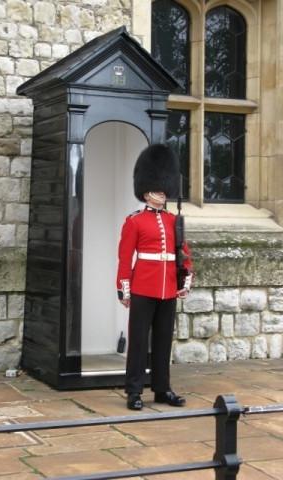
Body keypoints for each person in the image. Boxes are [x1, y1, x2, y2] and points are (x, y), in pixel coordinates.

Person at [116, 144, 193, 410]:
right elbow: (125, 259)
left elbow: (183, 252)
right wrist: (124, 289)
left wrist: (185, 279)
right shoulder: (134, 222)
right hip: (143, 287)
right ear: (147, 193)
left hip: (168, 287)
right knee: (138, 342)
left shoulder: (173, 221)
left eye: (164, 190)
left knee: (163, 341)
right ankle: (134, 391)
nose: (163, 194)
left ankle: (162, 389)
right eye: (159, 191)